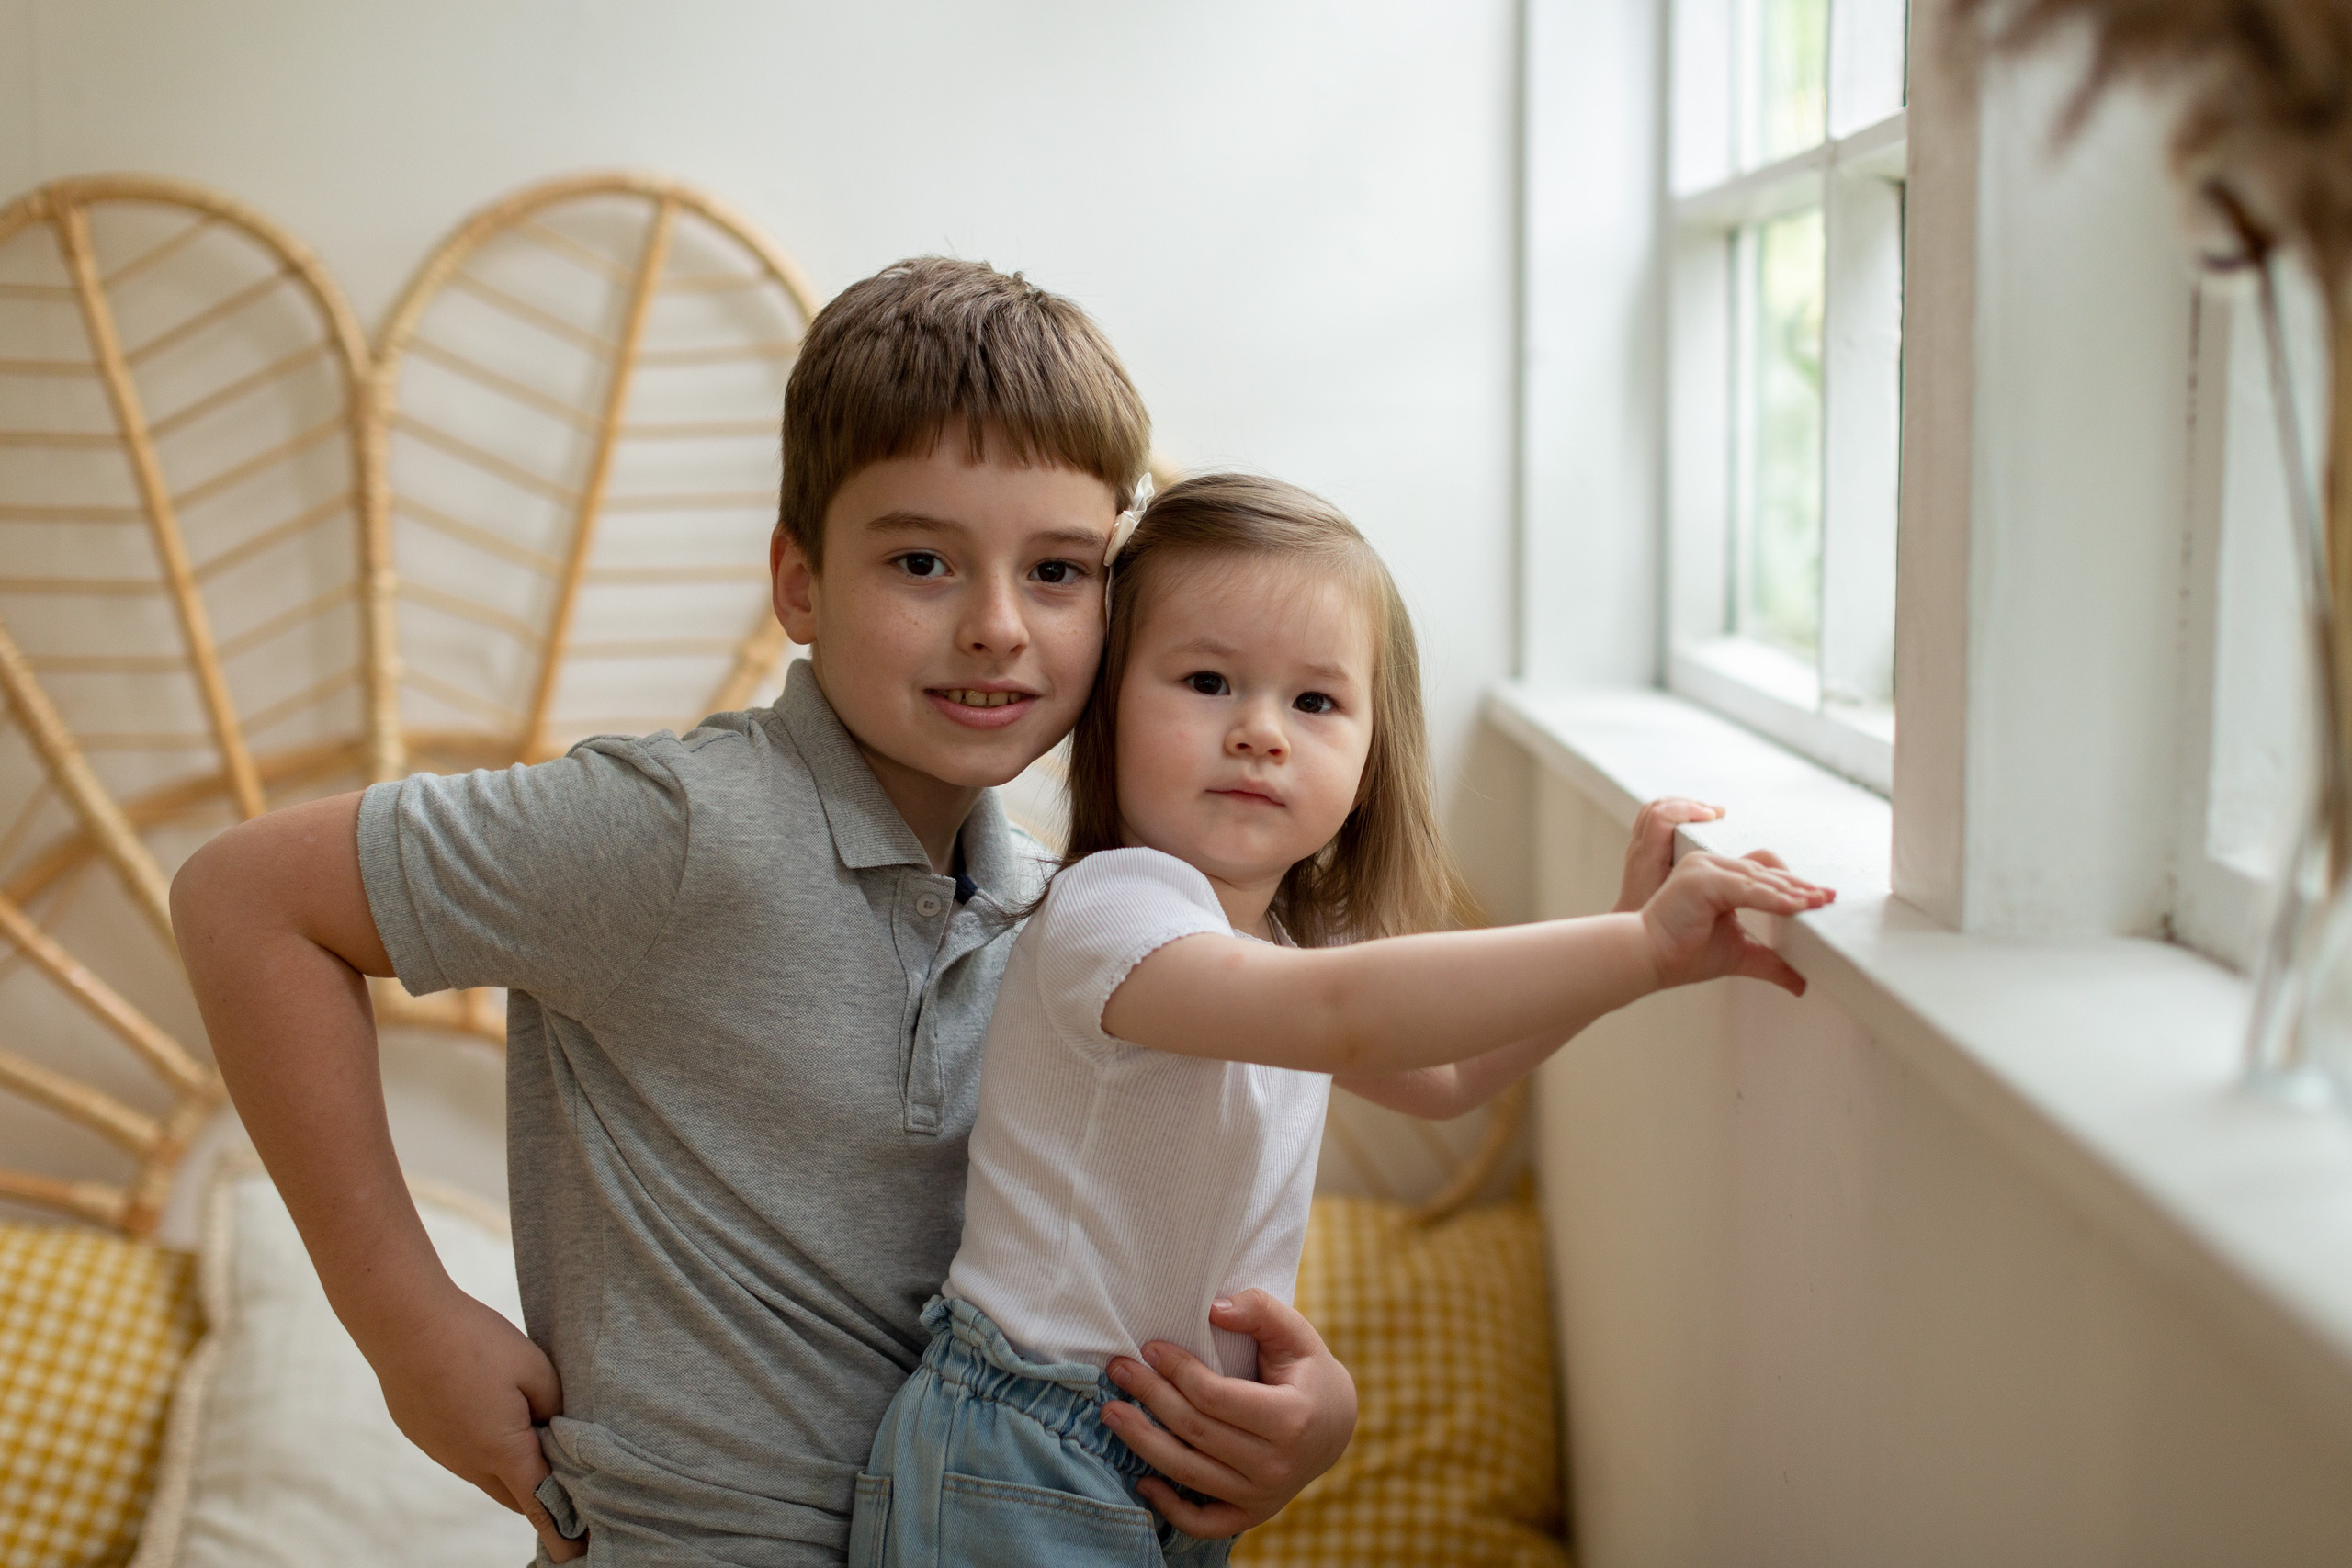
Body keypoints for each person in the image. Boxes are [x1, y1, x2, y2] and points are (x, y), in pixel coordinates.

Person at [169, 260, 1360, 1566]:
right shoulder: (677, 828)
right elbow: (243, 900)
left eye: (1060, 571)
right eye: (922, 560)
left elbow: (1108, 1264)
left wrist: (1309, 1416)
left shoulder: (1072, 917)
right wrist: (401, 1317)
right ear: (799, 583)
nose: (997, 627)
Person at [849, 474, 1832, 1566]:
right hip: (1025, 1443)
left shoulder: (1264, 961)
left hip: (1164, 1452)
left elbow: (1449, 1076)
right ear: (1107, 710)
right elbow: (1347, 1016)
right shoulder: (1110, 912)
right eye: (1208, 681)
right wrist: (1637, 945)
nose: (1261, 733)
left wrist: (1628, 957)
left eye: (1314, 703)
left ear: (1368, 763)